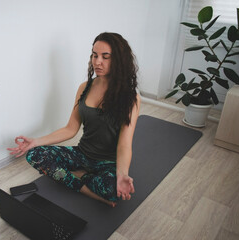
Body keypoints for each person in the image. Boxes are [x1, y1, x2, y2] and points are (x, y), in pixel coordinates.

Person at [8, 32, 140, 207]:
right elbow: (70, 128)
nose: (97, 61)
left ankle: (78, 175)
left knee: (112, 190)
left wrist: (122, 175)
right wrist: (35, 142)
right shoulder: (85, 87)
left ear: (119, 60)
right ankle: (88, 189)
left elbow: (124, 144)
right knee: (35, 155)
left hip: (107, 162)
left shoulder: (130, 97)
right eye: (94, 55)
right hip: (81, 154)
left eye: (105, 57)